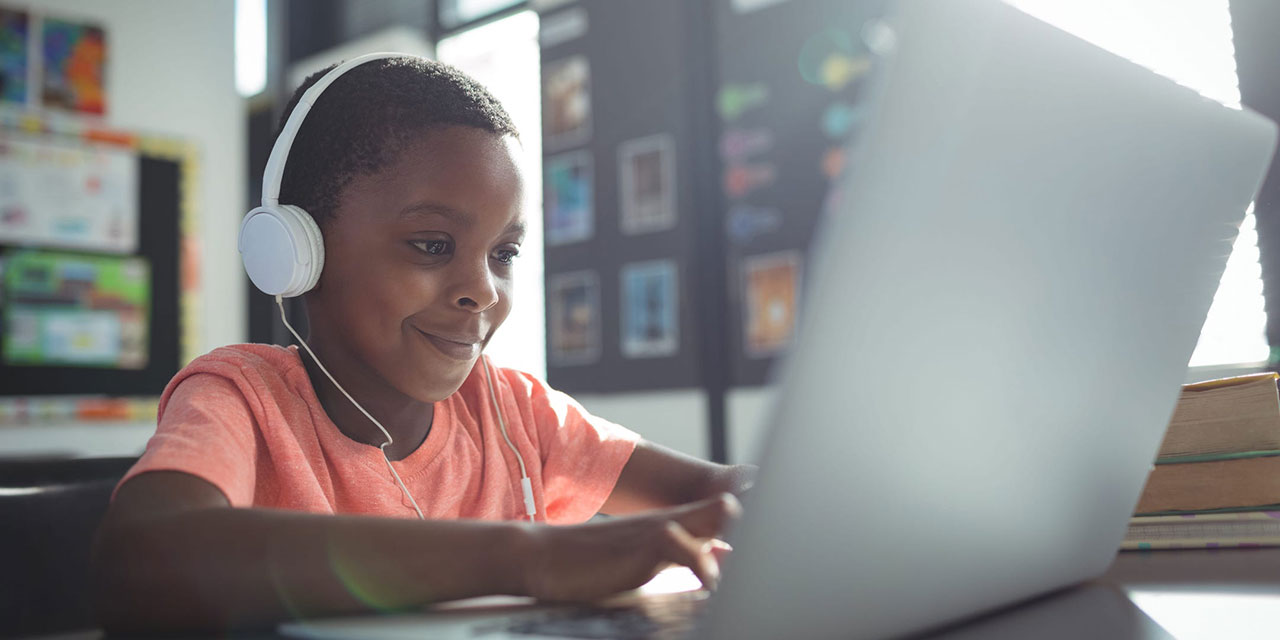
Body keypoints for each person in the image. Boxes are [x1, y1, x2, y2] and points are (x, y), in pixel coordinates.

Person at [91, 56, 753, 633]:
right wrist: (530, 558)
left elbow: (717, 498)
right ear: (298, 251)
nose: (483, 291)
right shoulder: (242, 399)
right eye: (433, 246)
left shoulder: (514, 411)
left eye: (505, 252)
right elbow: (143, 560)